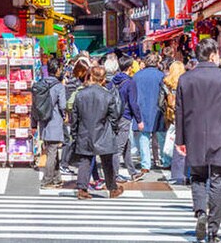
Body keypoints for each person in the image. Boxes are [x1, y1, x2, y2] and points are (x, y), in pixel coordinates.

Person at [175, 38, 221, 243]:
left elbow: (180, 111)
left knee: (197, 177)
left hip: (193, 135)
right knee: (218, 180)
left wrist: (180, 139)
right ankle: (213, 230)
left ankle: (200, 212)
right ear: (213, 55)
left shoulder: (185, 79)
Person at [70, 65, 124, 200]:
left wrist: (74, 133)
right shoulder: (107, 95)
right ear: (103, 78)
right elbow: (114, 115)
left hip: (85, 131)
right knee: (107, 161)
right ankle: (113, 188)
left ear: (90, 76)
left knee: (85, 160)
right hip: (103, 131)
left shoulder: (80, 94)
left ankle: (82, 189)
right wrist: (114, 130)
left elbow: (74, 117)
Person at [110, 55, 144, 182]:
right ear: (130, 68)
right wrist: (139, 120)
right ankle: (114, 174)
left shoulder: (113, 81)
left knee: (126, 144)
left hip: (114, 115)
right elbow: (133, 103)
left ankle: (132, 171)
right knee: (119, 146)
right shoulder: (130, 82)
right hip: (125, 115)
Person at [36, 58, 67, 189]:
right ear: (57, 70)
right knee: (52, 152)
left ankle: (57, 178)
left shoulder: (40, 84)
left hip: (43, 121)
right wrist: (65, 115)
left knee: (52, 149)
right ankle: (47, 180)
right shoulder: (59, 86)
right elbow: (63, 105)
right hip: (54, 121)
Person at [132, 53, 164, 173]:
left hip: (142, 108)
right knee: (161, 135)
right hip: (158, 108)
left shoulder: (137, 76)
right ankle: (165, 160)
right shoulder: (161, 76)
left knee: (144, 136)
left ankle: (146, 164)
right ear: (157, 63)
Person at [159, 60, 186, 184]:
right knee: (182, 141)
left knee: (169, 138)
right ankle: (184, 169)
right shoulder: (186, 81)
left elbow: (160, 102)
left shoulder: (166, 83)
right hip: (184, 115)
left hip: (170, 115)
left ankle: (167, 161)